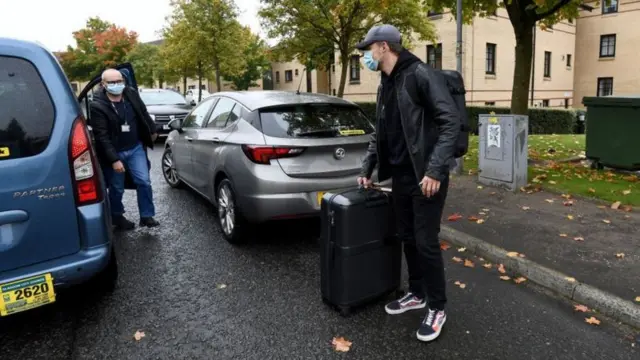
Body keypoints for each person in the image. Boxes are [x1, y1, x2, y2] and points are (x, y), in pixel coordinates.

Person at [356, 24, 460, 342]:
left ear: (384, 47)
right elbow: (381, 133)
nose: (366, 56)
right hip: (401, 174)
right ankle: (417, 293)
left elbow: (450, 120)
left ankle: (438, 306)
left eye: (368, 48)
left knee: (426, 241)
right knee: (407, 237)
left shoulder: (419, 75)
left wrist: (435, 170)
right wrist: (368, 167)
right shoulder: (386, 83)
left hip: (425, 175)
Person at [90, 68, 160, 230]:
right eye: (112, 82)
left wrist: (152, 130)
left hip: (135, 148)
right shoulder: (97, 106)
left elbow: (143, 112)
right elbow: (102, 136)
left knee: (144, 181)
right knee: (116, 187)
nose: (117, 85)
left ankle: (146, 215)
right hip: (115, 152)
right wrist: (114, 160)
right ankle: (116, 216)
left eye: (119, 81)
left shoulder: (130, 94)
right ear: (103, 84)